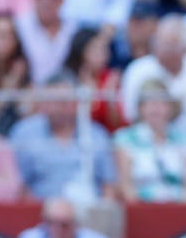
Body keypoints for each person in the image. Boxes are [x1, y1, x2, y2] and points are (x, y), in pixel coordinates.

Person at [12, 73, 118, 201]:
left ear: (76, 103)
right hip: (39, 213)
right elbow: (18, 185)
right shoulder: (25, 133)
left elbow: (109, 185)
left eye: (64, 101)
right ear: (42, 104)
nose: (58, 107)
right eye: (52, 101)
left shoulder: (97, 134)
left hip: (89, 212)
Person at [120, 14, 186, 125]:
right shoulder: (138, 70)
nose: (161, 49)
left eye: (169, 45)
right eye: (158, 42)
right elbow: (130, 113)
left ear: (184, 48)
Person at [113, 79, 186, 200]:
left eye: (161, 103)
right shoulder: (124, 138)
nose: (156, 109)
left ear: (170, 107)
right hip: (142, 207)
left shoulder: (185, 139)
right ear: (140, 108)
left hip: (178, 206)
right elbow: (125, 186)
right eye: (150, 104)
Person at [16, 195, 142, 238]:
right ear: (44, 221)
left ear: (75, 224)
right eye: (50, 222)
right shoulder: (30, 237)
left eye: (64, 224)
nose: (57, 229)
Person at [15, 0, 80, 87]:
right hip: (28, 95)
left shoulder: (73, 29)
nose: (46, 1)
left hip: (64, 96)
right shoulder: (19, 27)